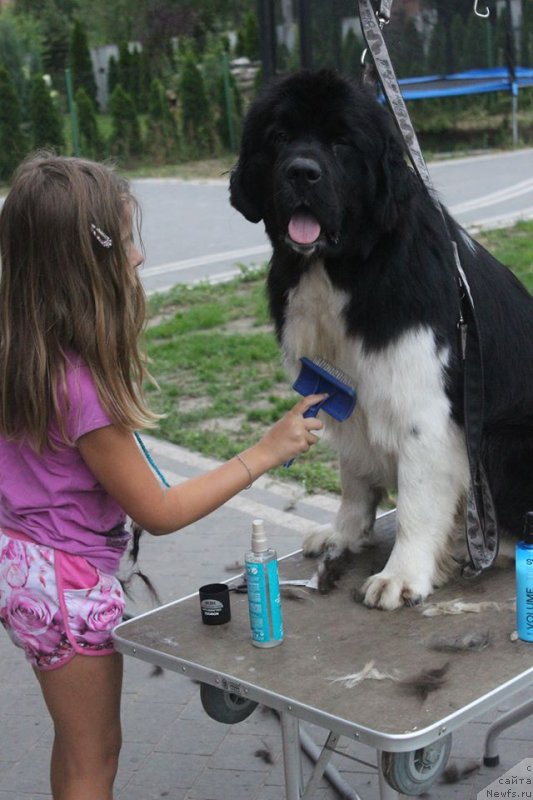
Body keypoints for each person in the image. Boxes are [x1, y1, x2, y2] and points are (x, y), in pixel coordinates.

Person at [0, 152, 325, 800]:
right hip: (67, 587)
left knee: (74, 746)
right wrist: (264, 451)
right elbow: (160, 510)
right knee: (96, 759)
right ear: (83, 267)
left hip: (23, 567)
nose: (140, 258)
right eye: (124, 242)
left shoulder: (18, 346)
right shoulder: (82, 388)